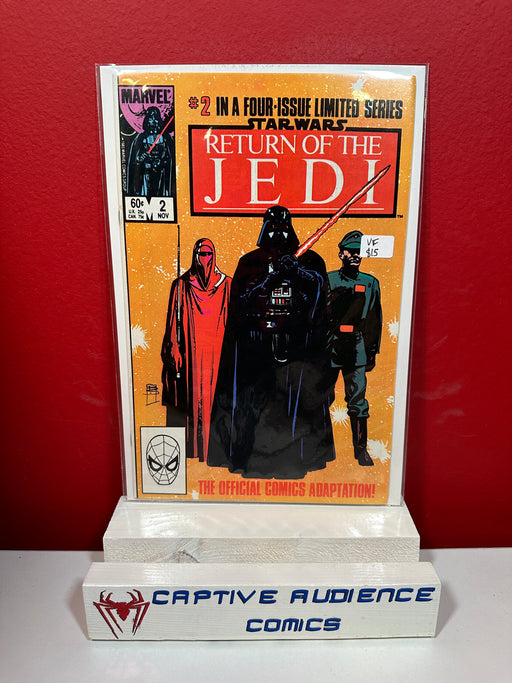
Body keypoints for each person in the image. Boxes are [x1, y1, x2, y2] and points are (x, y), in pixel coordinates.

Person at [207, 206, 335, 479]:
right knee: (257, 407)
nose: (278, 233)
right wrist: (269, 280)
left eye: (284, 227)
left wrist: (299, 273)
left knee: (293, 407)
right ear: (265, 228)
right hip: (258, 349)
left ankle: (294, 464)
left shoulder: (310, 260)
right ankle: (254, 464)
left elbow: (321, 300)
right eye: (273, 227)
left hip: (298, 349)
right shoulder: (249, 262)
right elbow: (240, 306)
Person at [161, 239, 231, 461]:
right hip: (190, 355)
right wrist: (175, 351)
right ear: (194, 256)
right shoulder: (181, 285)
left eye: (208, 254)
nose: (205, 259)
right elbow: (172, 326)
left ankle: (217, 451)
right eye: (201, 254)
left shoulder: (227, 284)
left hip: (217, 355)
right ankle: (192, 450)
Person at [327, 230, 382, 466]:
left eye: (360, 252)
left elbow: (374, 320)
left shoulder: (370, 283)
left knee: (358, 401)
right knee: (321, 397)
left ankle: (361, 450)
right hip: (330, 347)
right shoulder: (328, 279)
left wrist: (371, 352)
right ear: (341, 254)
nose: (356, 255)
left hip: (356, 348)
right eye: (351, 251)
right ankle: (318, 449)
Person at [127, 106, 174, 198]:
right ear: (147, 120)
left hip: (161, 174)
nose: (153, 120)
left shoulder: (166, 138)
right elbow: (134, 160)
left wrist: (163, 162)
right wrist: (139, 159)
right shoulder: (141, 138)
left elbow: (171, 158)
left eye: (156, 117)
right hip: (145, 174)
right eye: (151, 117)